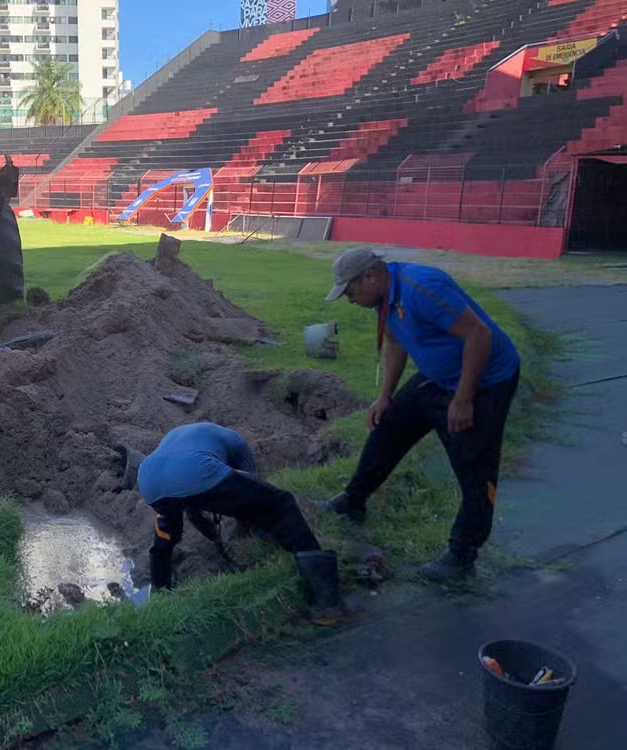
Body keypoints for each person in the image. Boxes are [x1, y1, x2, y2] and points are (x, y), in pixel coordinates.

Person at [320, 248, 521, 582]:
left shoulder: (421, 288)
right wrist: (384, 397)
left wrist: (463, 399)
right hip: (438, 376)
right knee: (388, 426)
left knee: (476, 469)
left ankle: (461, 558)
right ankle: (353, 501)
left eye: (350, 291)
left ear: (369, 276)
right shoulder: (384, 297)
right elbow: (397, 341)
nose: (349, 299)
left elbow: (479, 335)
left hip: (485, 381)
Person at [117, 422, 350, 625]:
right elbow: (251, 497)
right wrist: (247, 524)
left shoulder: (189, 437)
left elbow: (192, 504)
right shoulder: (238, 444)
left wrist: (215, 535)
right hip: (194, 470)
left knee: (167, 535)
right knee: (281, 503)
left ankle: (160, 594)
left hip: (150, 480)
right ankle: (325, 603)